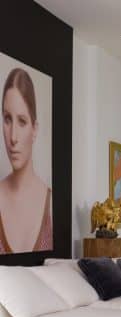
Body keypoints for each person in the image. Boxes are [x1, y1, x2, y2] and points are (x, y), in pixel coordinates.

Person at [0, 68, 52, 254]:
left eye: (22, 121)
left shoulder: (50, 202)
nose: (13, 137)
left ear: (34, 129)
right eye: (7, 119)